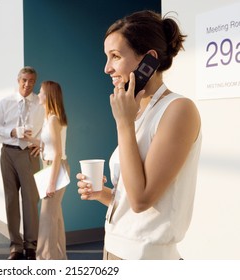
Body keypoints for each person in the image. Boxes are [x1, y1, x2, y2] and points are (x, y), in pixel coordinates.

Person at [76, 10, 202, 260]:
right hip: (113, 247)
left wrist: (123, 124)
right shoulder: (138, 111)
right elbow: (132, 199)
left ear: (149, 61)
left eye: (115, 56)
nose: (106, 68)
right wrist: (103, 195)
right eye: (106, 57)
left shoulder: (178, 110)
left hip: (145, 257)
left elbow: (142, 200)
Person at [0, 66, 45, 260]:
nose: (27, 84)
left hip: (29, 154)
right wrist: (11, 132)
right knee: (11, 200)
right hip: (8, 153)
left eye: (31, 81)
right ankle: (15, 246)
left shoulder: (41, 102)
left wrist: (42, 145)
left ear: (35, 82)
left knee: (30, 200)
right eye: (24, 80)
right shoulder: (6, 102)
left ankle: (31, 245)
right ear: (18, 80)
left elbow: (48, 127)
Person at [25, 81, 69, 260]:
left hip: (55, 168)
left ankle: (44, 259)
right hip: (50, 167)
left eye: (41, 92)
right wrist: (32, 140)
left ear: (48, 95)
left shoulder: (53, 119)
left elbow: (58, 153)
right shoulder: (50, 117)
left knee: (46, 218)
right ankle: (59, 258)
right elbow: (48, 145)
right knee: (55, 217)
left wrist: (51, 183)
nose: (38, 94)